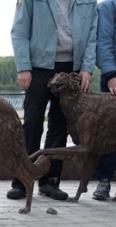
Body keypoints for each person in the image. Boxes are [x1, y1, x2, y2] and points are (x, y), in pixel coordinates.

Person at [7, 0, 98, 201]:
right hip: (40, 66)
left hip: (72, 68)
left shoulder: (89, 1)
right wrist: (23, 66)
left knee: (60, 127)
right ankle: (21, 181)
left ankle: (50, 181)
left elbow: (92, 36)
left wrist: (86, 68)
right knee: (32, 123)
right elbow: (19, 32)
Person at [91, 0, 116, 200]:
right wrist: (111, 75)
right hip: (113, 78)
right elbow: (103, 43)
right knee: (109, 133)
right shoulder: (108, 7)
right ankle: (104, 180)